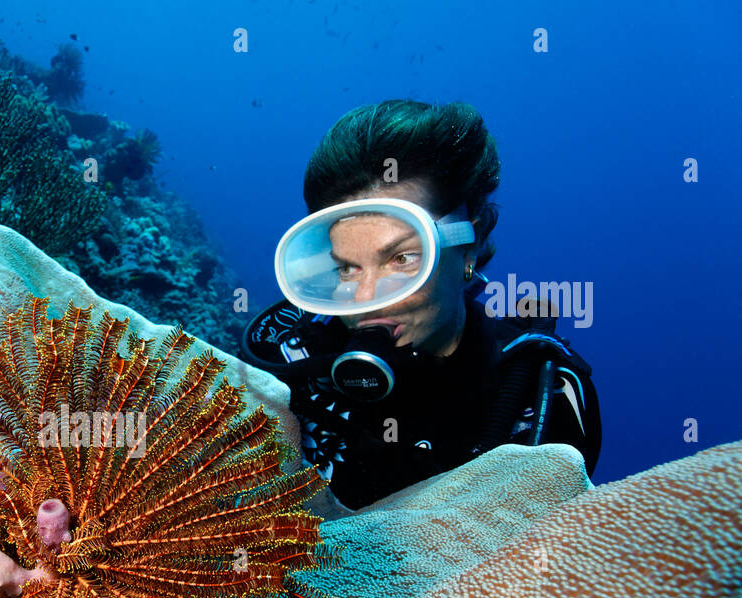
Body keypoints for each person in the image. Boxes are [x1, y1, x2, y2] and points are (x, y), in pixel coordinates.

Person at [241, 100, 601, 510]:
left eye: (402, 259)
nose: (365, 298)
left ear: (469, 247)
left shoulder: (545, 393)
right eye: (346, 268)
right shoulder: (284, 365)